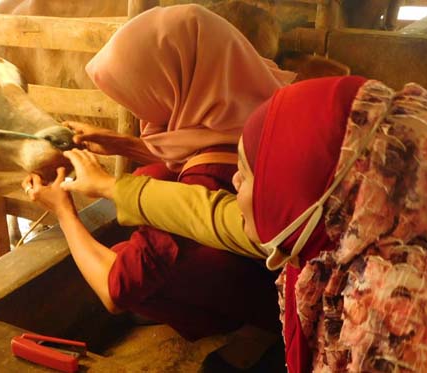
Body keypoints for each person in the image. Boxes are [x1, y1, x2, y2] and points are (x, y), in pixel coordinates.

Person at [56, 75, 427, 372]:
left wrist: (64, 209)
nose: (234, 183)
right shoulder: (356, 229)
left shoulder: (388, 319)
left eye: (251, 173)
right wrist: (115, 181)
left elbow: (121, 286)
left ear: (297, 190)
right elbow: (218, 216)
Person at [22, 4, 295, 371]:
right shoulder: (255, 109)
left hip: (266, 304)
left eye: (143, 97)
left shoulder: (205, 179)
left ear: (176, 85)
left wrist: (63, 210)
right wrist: (123, 144)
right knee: (152, 172)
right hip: (268, 273)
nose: (140, 116)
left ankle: (232, 323)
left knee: (122, 252)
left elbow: (113, 292)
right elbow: (202, 149)